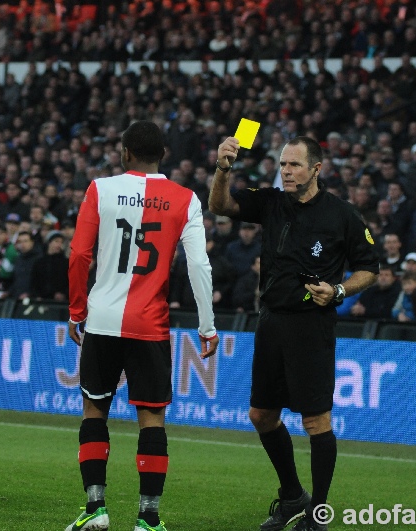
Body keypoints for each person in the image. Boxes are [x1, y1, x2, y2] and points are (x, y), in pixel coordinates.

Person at [209, 135, 379, 531]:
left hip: (311, 325)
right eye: (283, 164)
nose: (286, 171)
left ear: (316, 169)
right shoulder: (271, 201)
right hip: (270, 321)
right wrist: (223, 168)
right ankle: (291, 498)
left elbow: (370, 269)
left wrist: (338, 290)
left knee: (316, 422)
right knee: (261, 415)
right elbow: (219, 205)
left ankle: (317, 515)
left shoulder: (341, 215)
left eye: (294, 165)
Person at [66, 120, 219, 531]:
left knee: (94, 410)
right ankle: (148, 518)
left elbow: (80, 255)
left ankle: (95, 508)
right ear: (163, 155)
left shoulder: (100, 189)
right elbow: (199, 266)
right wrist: (207, 326)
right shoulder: (185, 199)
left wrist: (76, 311)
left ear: (125, 152)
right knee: (152, 419)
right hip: (150, 326)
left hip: (101, 320)